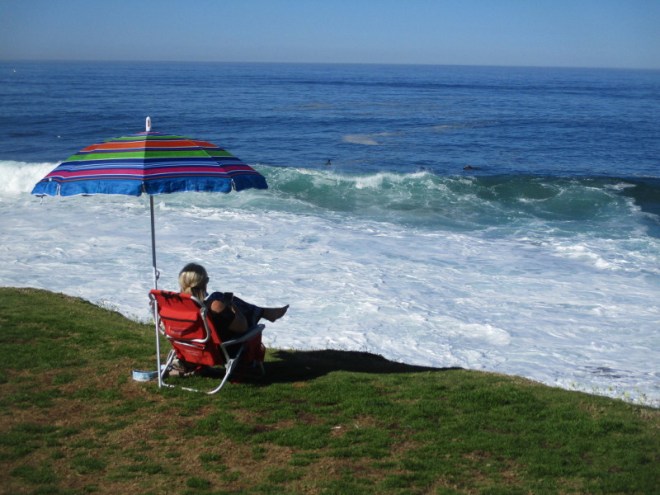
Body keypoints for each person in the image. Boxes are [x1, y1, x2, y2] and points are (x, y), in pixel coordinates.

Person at [171, 262, 288, 376]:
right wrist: (233, 307)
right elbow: (243, 327)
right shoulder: (214, 306)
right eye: (207, 280)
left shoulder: (175, 306)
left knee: (217, 295)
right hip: (220, 351)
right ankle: (264, 312)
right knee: (222, 299)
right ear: (203, 283)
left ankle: (264, 312)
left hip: (190, 349)